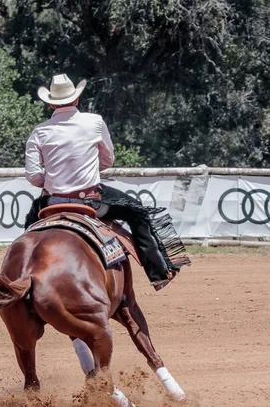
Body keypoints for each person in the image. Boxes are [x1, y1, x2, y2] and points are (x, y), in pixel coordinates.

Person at [24, 73, 190, 291]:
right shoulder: (94, 122)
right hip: (91, 201)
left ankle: (26, 271)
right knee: (136, 211)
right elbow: (108, 159)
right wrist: (87, 169)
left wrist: (53, 180)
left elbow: (34, 176)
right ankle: (159, 271)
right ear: (76, 100)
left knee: (30, 227)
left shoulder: (39, 131)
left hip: (52, 203)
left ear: (51, 104)